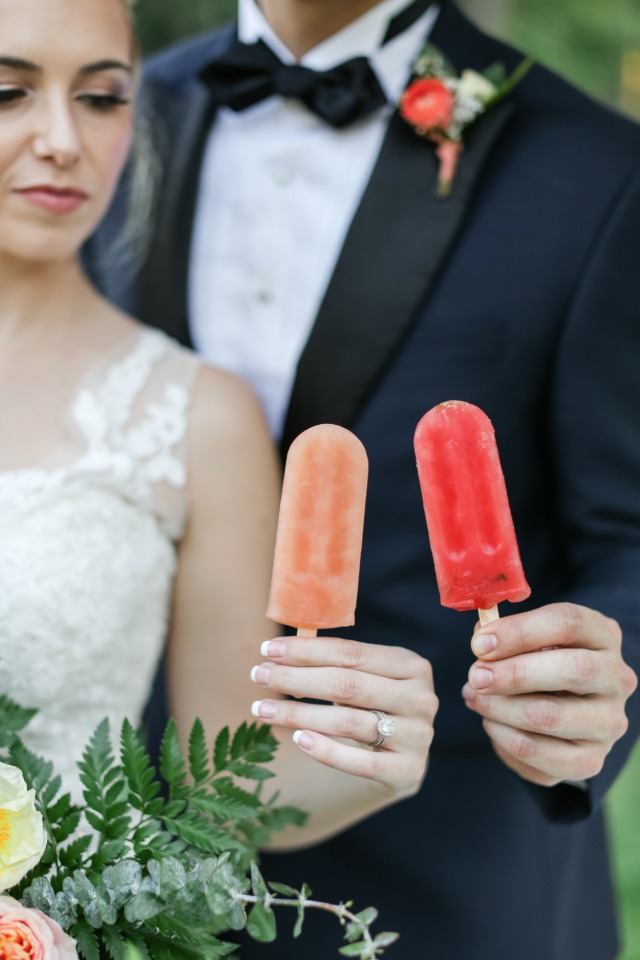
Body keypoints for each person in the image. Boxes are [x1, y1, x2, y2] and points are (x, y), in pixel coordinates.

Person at [87, 0, 640, 957]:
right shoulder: (105, 115)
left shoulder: (595, 172)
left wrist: (591, 688)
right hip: (123, 858)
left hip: (458, 877)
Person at [0, 0, 440, 877]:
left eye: (101, 98)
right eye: (9, 92)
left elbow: (227, 785)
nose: (62, 139)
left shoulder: (199, 416)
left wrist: (380, 752)